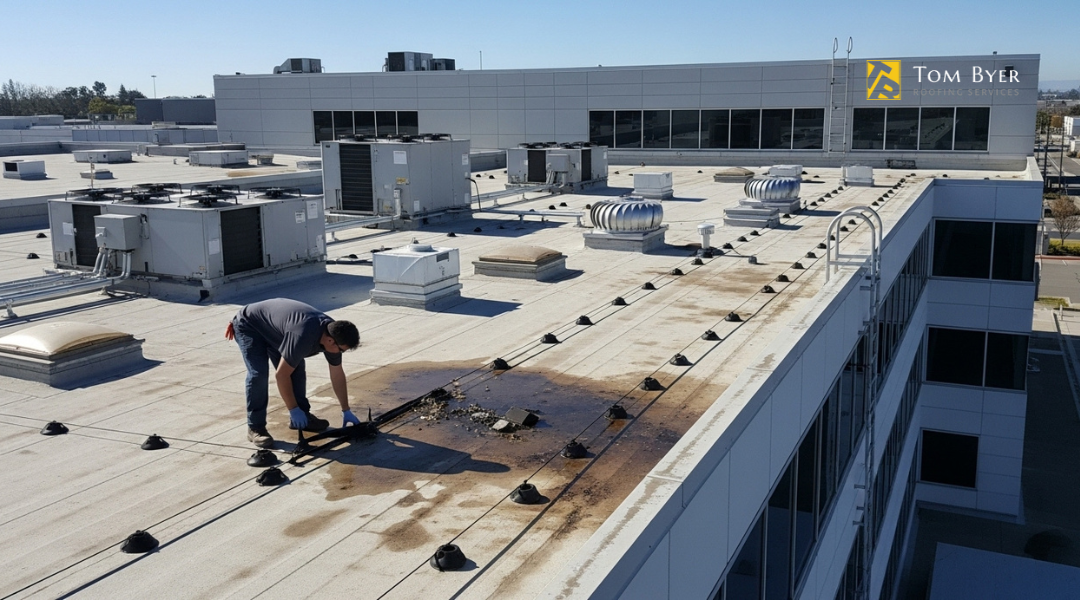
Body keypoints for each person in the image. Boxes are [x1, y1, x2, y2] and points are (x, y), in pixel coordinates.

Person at [226, 298, 361, 448]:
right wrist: (293, 409)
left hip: (276, 330)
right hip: (250, 325)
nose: (341, 353)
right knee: (259, 375)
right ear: (330, 341)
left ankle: (303, 417)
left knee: (296, 369)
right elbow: (281, 375)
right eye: (341, 350)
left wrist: (346, 410)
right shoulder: (302, 335)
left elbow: (337, 373)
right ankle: (255, 427)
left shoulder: (334, 333)